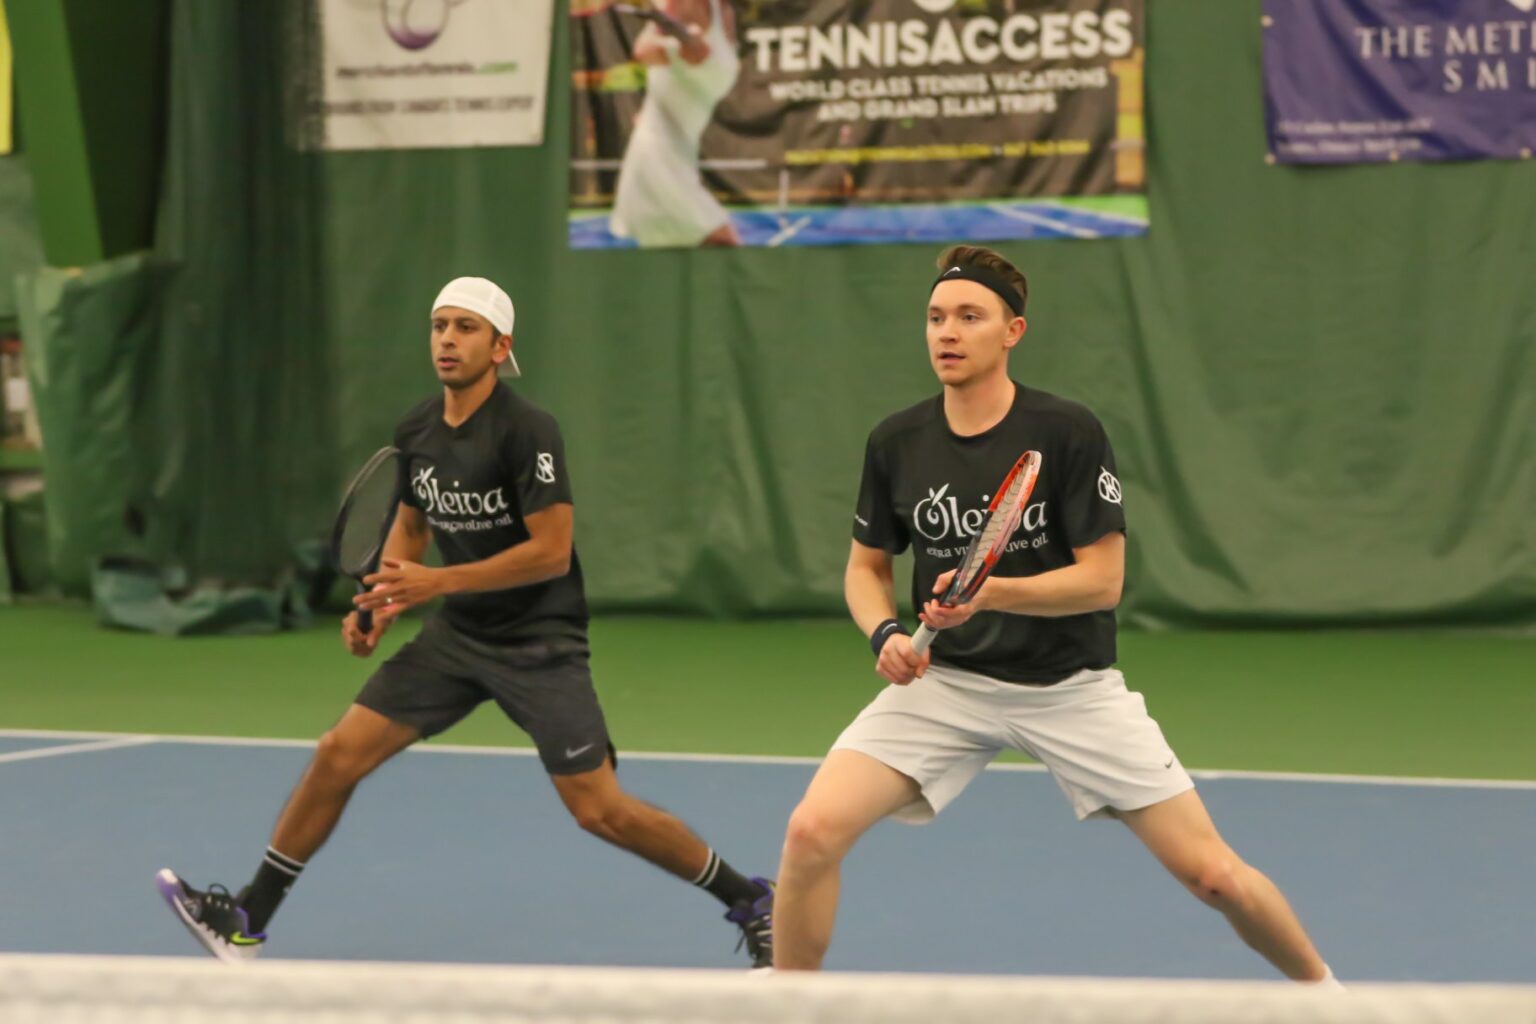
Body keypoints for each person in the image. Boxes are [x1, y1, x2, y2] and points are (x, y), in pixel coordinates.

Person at [156, 276, 774, 967]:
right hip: (458, 640)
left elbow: (551, 552)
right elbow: (413, 526)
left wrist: (436, 583)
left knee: (598, 810)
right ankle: (245, 918)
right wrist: (381, 601)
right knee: (338, 754)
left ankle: (752, 899)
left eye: (465, 327)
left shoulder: (528, 430)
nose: (447, 339)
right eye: (439, 325)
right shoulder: (416, 431)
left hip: (542, 643)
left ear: (500, 345)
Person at [770, 246, 1339, 985]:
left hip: (1070, 688)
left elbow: (1103, 581)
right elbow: (865, 568)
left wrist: (992, 592)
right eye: (937, 317)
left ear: (1013, 331)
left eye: (970, 317)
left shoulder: (1065, 431)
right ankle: (789, 1003)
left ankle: (1331, 997)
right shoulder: (896, 441)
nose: (947, 332)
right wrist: (882, 633)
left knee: (1214, 877)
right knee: (811, 832)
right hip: (949, 685)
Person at [611, 0, 742, 248]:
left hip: (681, 152)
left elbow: (712, 65)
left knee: (676, 256)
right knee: (724, 242)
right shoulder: (681, 3)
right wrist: (683, 49)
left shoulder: (725, 12)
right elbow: (643, 51)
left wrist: (693, 52)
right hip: (657, 151)